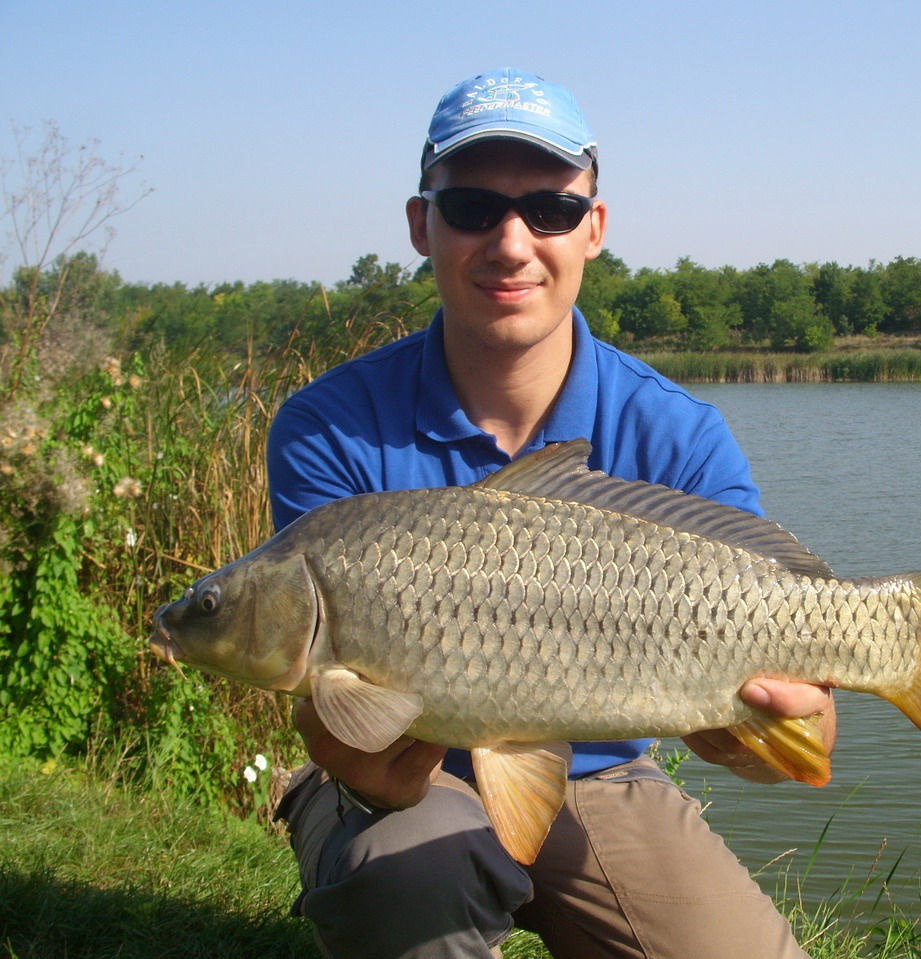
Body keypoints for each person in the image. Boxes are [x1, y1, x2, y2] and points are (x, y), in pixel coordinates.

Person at [267, 67, 836, 959]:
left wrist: (765, 733)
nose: (511, 240)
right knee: (406, 874)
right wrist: (341, 750)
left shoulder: (678, 434)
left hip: (602, 772)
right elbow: (321, 695)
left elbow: (814, 728)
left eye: (550, 210)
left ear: (594, 230)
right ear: (421, 224)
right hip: (408, 779)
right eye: (471, 207)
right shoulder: (327, 425)